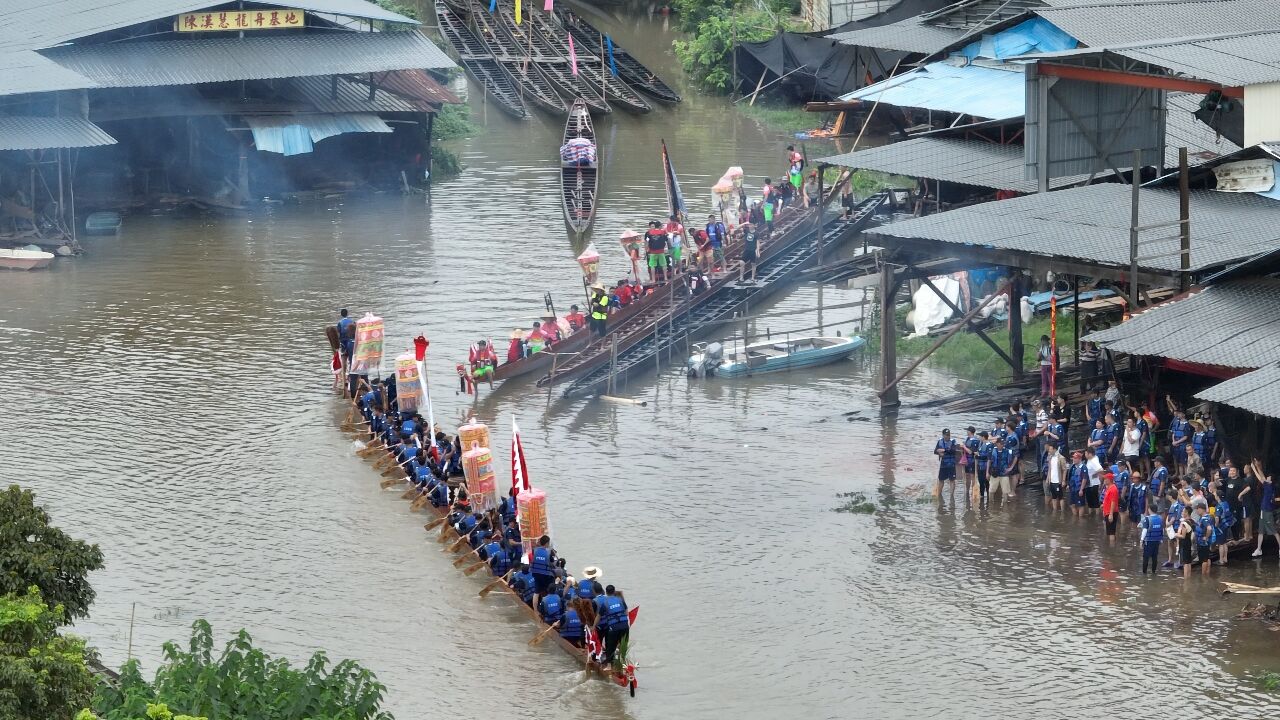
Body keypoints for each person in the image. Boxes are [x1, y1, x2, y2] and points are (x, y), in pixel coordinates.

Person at [595, 585, 630, 664]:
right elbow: (626, 613)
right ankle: (622, 663)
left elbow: (598, 617)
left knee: (611, 647)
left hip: (614, 627)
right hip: (624, 626)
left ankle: (609, 666)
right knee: (623, 645)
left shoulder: (605, 603)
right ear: (614, 592)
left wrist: (593, 626)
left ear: (606, 593)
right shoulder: (621, 600)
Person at [1251, 458, 1280, 558]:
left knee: (1274, 531)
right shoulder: (1269, 485)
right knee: (1261, 531)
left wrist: (1253, 468)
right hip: (1264, 510)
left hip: (1267, 511)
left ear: (1270, 481)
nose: (1266, 477)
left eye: (1268, 477)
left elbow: (1260, 477)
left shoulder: (1268, 486)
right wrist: (1257, 466)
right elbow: (1262, 476)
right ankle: (1259, 549)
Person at [530, 534, 557, 606]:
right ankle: (546, 607)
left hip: (536, 573)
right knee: (549, 591)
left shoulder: (534, 550)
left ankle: (535, 610)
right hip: (545, 575)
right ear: (547, 543)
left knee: (536, 592)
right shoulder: (548, 552)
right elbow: (552, 563)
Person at [988, 435, 1014, 507]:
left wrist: (1011, 468)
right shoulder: (992, 450)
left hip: (1004, 473)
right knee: (991, 490)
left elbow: (1016, 457)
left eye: (1003, 443)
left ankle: (1005, 506)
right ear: (997, 444)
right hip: (994, 473)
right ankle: (991, 505)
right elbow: (989, 461)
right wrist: (987, 472)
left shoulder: (1008, 451)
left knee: (1005, 491)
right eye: (1000, 443)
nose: (1002, 445)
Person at [1139, 502, 1164, 574]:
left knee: (1146, 557)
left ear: (1150, 509)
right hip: (1157, 541)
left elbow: (1144, 530)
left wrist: (1141, 540)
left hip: (1148, 541)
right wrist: (1161, 539)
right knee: (1154, 557)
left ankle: (1144, 573)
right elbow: (1162, 529)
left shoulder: (1147, 519)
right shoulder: (1160, 518)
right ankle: (1153, 572)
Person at [1194, 504, 1216, 575]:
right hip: (1209, 541)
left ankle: (1203, 575)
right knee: (1207, 557)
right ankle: (1208, 572)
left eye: (1197, 509)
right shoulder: (1209, 516)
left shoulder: (1204, 519)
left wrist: (1206, 537)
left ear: (1201, 509)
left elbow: (1209, 528)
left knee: (1203, 560)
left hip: (1203, 542)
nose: (1196, 511)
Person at [1045, 442, 1067, 512]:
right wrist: (1048, 479)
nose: (1049, 451)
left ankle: (1062, 511)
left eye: (1050, 449)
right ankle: (1055, 510)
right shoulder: (1050, 457)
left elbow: (1064, 469)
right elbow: (1049, 469)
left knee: (1060, 497)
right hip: (1052, 480)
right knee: (1053, 497)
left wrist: (1063, 480)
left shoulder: (1061, 458)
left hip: (1058, 481)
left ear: (1054, 449)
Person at [1176, 505, 1196, 579]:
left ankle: (1186, 579)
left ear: (1186, 512)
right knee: (1188, 562)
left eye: (1183, 511)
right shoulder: (1192, 521)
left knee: (1185, 563)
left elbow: (1183, 536)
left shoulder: (1184, 523)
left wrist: (1175, 535)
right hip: (1190, 543)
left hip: (1184, 543)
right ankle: (1189, 578)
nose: (1181, 512)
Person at [1102, 472, 1120, 545]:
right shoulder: (1109, 488)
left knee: (1111, 532)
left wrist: (1111, 514)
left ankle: (1111, 548)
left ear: (1109, 480)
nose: (1104, 480)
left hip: (1111, 512)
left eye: (1105, 479)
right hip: (1108, 512)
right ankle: (1112, 545)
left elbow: (1113, 502)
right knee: (1110, 531)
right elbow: (1108, 500)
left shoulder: (1113, 489)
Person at [1084, 447, 1104, 515]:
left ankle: (1096, 517)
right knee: (1090, 502)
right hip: (1089, 484)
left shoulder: (1094, 461)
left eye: (1086, 453)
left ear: (1090, 454)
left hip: (1094, 484)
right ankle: (1091, 516)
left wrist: (1093, 475)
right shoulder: (1092, 459)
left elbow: (1101, 469)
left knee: (1095, 502)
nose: (1085, 455)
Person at [962, 426, 980, 503]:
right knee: (967, 475)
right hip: (967, 461)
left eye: (967, 431)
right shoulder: (967, 439)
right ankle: (967, 491)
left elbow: (970, 452)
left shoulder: (975, 440)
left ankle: (973, 491)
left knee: (972, 476)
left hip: (972, 461)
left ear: (970, 432)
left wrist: (964, 446)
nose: (966, 432)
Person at [974, 431, 993, 504]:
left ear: (983, 437)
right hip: (980, 467)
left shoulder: (989, 445)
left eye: (980, 436)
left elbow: (988, 457)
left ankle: (988, 499)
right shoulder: (981, 444)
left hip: (986, 467)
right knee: (981, 482)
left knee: (987, 483)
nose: (979, 438)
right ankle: (982, 497)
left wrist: (978, 456)